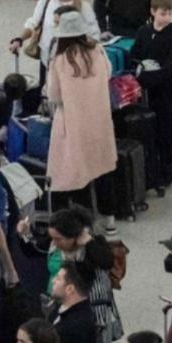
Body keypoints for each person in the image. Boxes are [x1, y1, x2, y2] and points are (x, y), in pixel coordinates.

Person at [45, 13, 117, 208]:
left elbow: (54, 96)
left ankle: (81, 221)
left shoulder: (59, 61)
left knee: (71, 173)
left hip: (72, 124)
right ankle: (110, 219)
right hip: (100, 120)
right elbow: (109, 75)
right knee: (103, 168)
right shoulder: (99, 52)